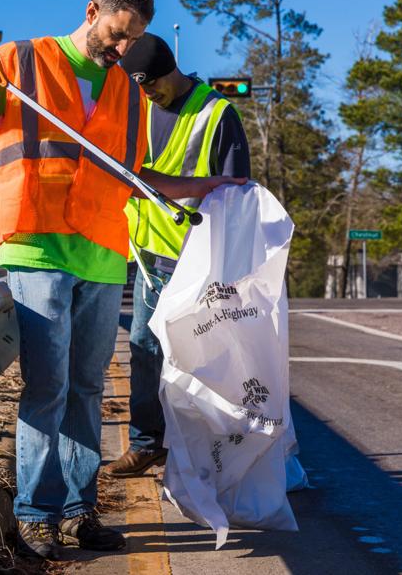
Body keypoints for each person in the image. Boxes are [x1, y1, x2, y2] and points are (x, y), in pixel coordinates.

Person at [0, 0, 246, 560]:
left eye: (134, 39)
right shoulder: (21, 62)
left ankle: (78, 510)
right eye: (119, 34)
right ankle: (36, 513)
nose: (124, 49)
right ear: (93, 11)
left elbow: (134, 173)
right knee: (47, 387)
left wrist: (205, 186)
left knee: (87, 388)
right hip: (38, 248)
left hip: (102, 254)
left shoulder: (128, 91)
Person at [106, 33, 252, 478]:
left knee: (205, 358)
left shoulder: (216, 113)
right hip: (150, 258)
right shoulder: (138, 108)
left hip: (200, 260)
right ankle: (147, 443)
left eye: (152, 84)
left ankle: (213, 451)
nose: (149, 93)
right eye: (141, 87)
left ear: (171, 69)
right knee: (145, 349)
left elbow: (237, 193)